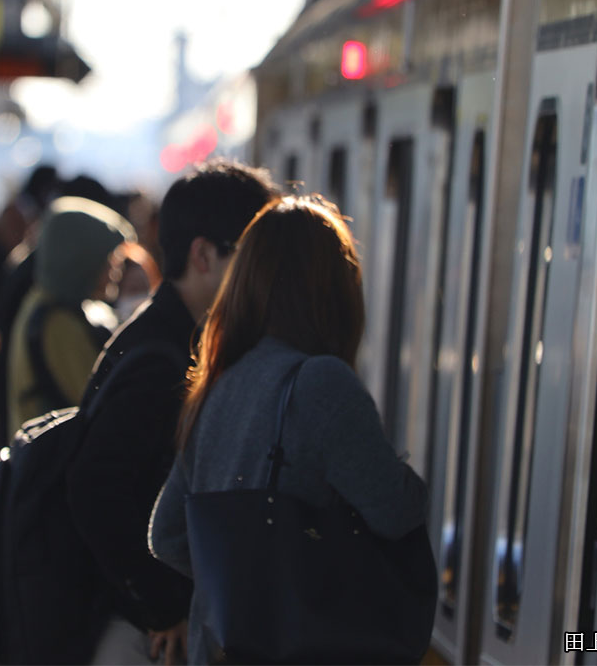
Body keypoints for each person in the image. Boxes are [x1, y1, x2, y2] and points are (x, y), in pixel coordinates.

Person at [149, 196, 429, 665]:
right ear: (335, 290)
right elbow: (395, 511)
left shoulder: (218, 381)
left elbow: (167, 535)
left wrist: (238, 583)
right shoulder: (321, 382)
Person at [67, 159, 278, 665]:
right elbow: (94, 489)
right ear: (203, 255)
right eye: (252, 256)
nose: (265, 275)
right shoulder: (161, 361)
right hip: (136, 629)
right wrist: (161, 606)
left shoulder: (160, 333)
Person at [5, 196, 134, 431]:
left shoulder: (44, 302)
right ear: (80, 259)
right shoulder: (57, 323)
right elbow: (99, 404)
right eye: (109, 259)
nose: (116, 270)